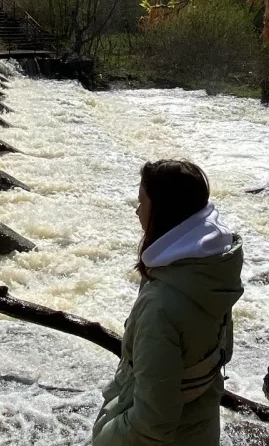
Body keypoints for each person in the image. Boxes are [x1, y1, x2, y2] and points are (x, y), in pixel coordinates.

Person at [91, 160, 245, 446]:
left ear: (162, 210)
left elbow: (151, 424)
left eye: (141, 201)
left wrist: (103, 435)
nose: (137, 210)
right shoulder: (209, 271)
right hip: (202, 429)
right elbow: (223, 352)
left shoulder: (160, 306)